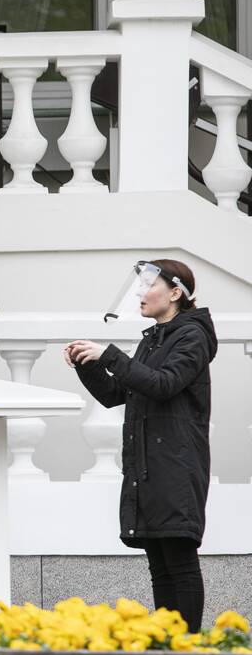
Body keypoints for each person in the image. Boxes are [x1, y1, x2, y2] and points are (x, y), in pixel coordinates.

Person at [65, 259, 215, 633]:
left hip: (176, 466)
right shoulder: (154, 339)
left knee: (179, 559)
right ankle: (168, 646)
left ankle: (189, 651)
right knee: (159, 562)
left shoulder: (191, 336)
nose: (139, 293)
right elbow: (120, 393)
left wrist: (110, 355)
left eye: (149, 285)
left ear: (176, 293)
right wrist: (89, 364)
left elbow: (164, 383)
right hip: (147, 467)